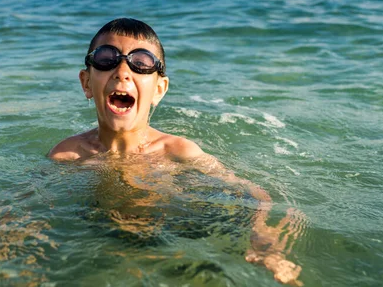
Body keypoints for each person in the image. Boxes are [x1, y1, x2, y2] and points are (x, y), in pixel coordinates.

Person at [49, 18, 304, 285]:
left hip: (176, 234)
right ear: (87, 82)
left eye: (141, 63)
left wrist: (261, 235)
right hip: (97, 236)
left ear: (159, 89)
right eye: (106, 58)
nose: (122, 72)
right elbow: (28, 205)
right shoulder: (67, 155)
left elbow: (252, 193)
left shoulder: (177, 151)